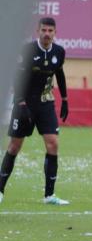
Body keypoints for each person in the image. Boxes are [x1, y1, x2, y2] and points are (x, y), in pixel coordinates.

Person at [0, 17, 69, 205]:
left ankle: (49, 196)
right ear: (38, 31)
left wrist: (64, 99)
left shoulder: (59, 52)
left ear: (55, 32)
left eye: (50, 31)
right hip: (25, 104)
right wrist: (20, 102)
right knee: (14, 146)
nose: (47, 34)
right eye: (44, 30)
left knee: (53, 143)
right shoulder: (28, 50)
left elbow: (60, 74)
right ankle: (0, 190)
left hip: (46, 103)